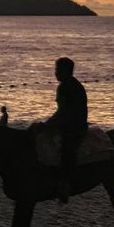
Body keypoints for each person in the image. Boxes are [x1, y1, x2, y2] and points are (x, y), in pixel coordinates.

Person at [45, 57, 87, 203]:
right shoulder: (74, 84)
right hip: (75, 123)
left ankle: (65, 186)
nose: (55, 73)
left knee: (66, 151)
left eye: (57, 70)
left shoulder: (65, 86)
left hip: (73, 127)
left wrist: (46, 125)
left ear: (65, 71)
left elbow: (62, 112)